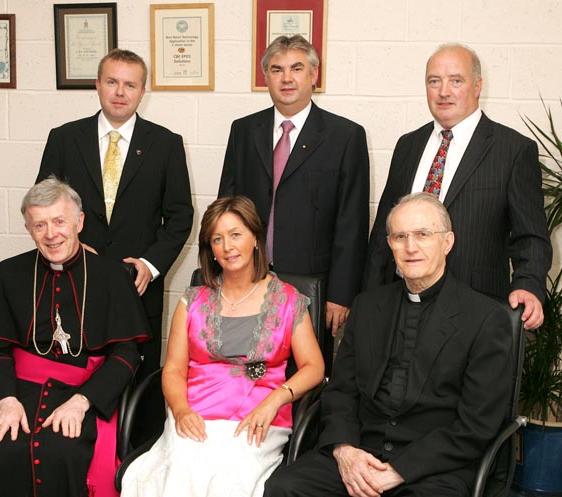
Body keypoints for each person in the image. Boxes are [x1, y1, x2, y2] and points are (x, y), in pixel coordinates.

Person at [264, 192, 513, 497]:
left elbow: (476, 426)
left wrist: (399, 471)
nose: (411, 247)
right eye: (400, 236)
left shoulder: (486, 319)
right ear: (390, 244)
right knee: (284, 487)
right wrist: (345, 451)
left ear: (447, 242)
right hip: (361, 451)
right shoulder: (368, 307)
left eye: (423, 234)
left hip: (434, 467)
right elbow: (341, 391)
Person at [121, 196, 324, 497]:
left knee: (230, 481)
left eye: (236, 234)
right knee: (179, 471)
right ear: (211, 250)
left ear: (255, 238)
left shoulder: (288, 299)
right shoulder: (191, 301)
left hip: (259, 418)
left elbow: (315, 367)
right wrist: (180, 410)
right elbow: (174, 368)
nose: (228, 246)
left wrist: (274, 402)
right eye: (217, 239)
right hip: (196, 415)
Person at [0, 178, 150, 497]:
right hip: (14, 389)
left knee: (64, 451)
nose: (51, 234)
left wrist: (82, 402)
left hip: (84, 392)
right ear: (28, 228)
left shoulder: (111, 277)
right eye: (40, 224)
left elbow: (125, 354)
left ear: (79, 221)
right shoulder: (7, 274)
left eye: (60, 221)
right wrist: (6, 401)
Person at [363, 43, 552, 330]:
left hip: (474, 312)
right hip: (399, 306)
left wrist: (528, 284)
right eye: (434, 81)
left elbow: (531, 235)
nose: (443, 91)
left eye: (456, 81)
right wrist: (369, 297)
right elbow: (383, 233)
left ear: (477, 86)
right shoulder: (407, 145)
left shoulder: (512, 150)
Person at [36, 48, 194, 376]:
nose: (120, 92)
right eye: (112, 82)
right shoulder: (64, 139)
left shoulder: (166, 144)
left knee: (137, 378)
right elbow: (45, 206)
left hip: (137, 286)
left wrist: (150, 266)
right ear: (97, 84)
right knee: (74, 372)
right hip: (73, 279)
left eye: (130, 85)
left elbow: (180, 216)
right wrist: (70, 250)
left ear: (142, 92)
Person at [218, 35, 369, 342]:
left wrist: (341, 294)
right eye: (276, 70)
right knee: (241, 368)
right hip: (247, 277)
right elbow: (226, 209)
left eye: (296, 68)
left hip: (313, 285)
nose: (286, 78)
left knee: (304, 377)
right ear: (266, 78)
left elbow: (351, 222)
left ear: (314, 74)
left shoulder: (345, 136)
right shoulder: (244, 130)